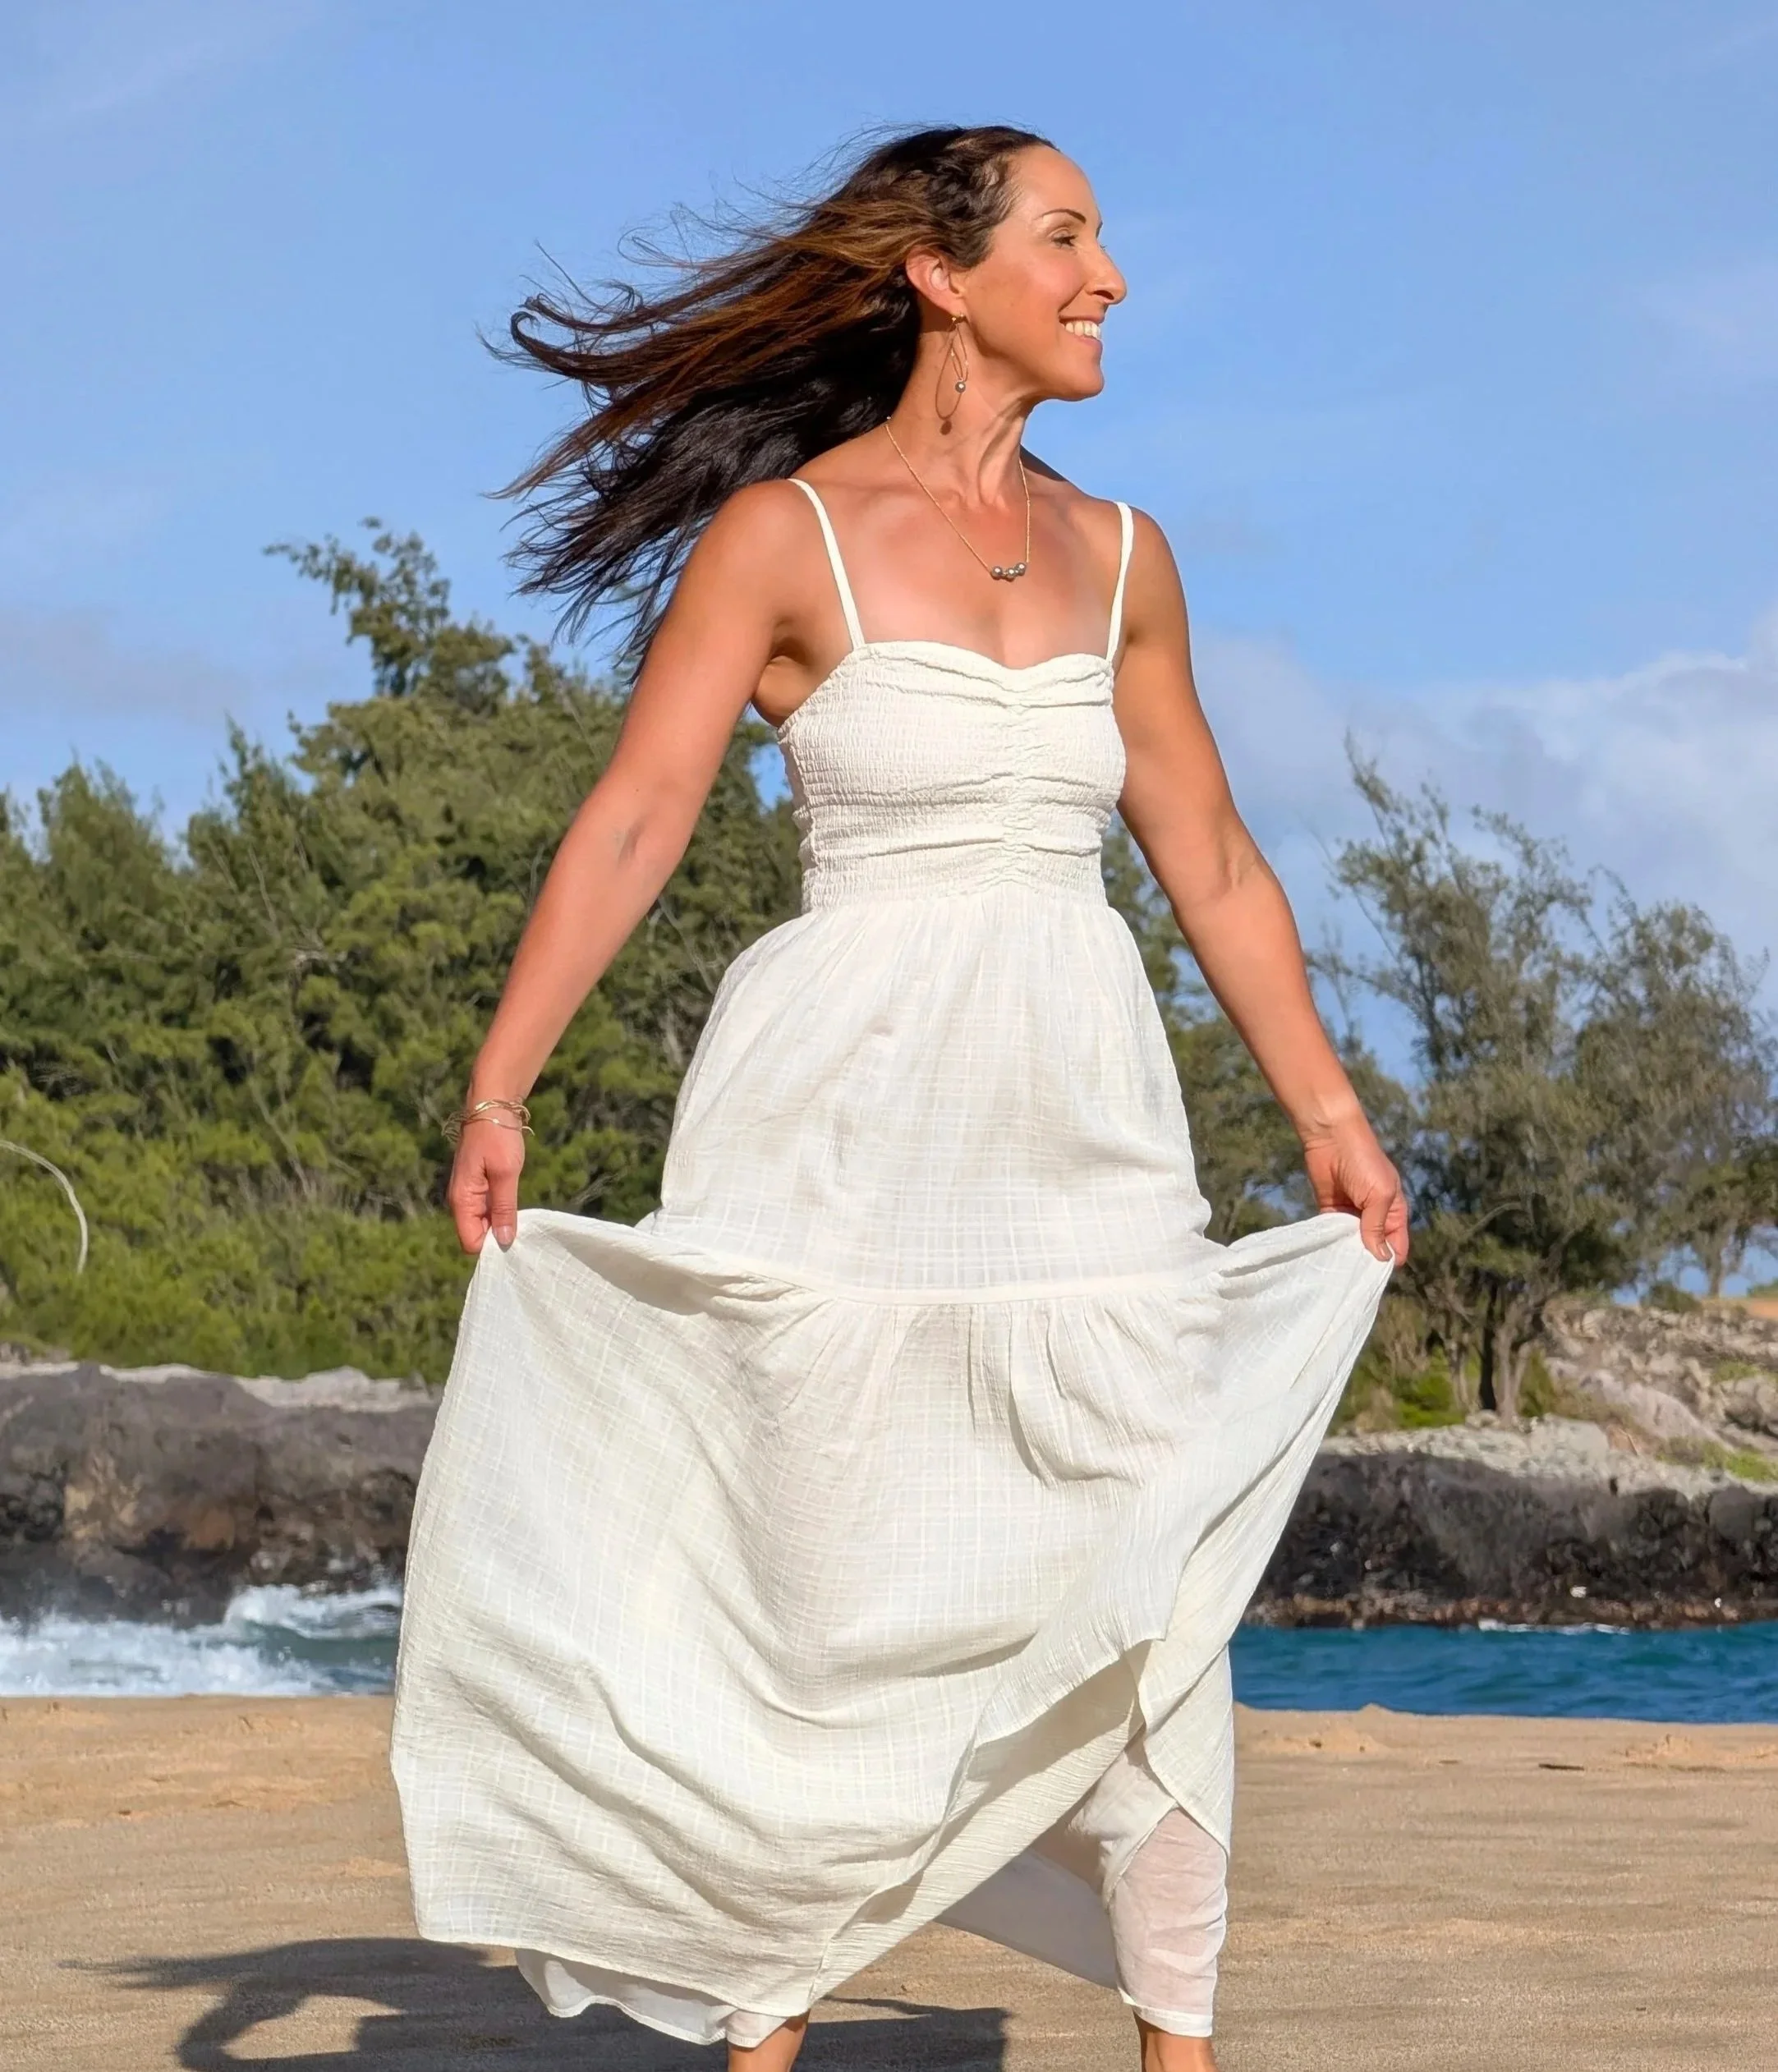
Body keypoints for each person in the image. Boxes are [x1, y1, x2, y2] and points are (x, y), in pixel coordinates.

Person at [388, 124, 1408, 2071]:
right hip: (837, 1131)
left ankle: (1172, 2047)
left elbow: (1205, 860)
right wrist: (499, 1081)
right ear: (940, 276)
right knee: (817, 1606)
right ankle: (763, 2019)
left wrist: (1329, 1114)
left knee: (1150, 1611)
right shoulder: (787, 538)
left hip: (1084, 1142)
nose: (1106, 277)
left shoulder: (1126, 559)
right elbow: (638, 815)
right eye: (1066, 237)